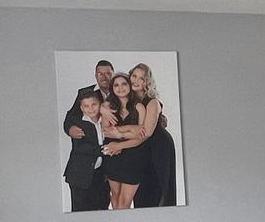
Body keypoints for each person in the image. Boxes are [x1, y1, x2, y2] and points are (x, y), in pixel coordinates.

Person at [97, 72, 152, 209]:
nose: (120, 88)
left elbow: (141, 136)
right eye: (116, 85)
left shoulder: (139, 107)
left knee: (124, 202)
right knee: (115, 198)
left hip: (134, 157)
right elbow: (106, 131)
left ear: (129, 86)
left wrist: (119, 140)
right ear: (112, 88)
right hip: (113, 157)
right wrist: (130, 131)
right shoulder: (108, 107)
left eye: (124, 84)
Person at [127, 62, 178, 207]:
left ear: (147, 82)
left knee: (157, 190)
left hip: (159, 148)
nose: (136, 81)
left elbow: (147, 133)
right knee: (142, 192)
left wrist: (119, 143)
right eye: (134, 76)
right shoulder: (128, 99)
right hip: (141, 148)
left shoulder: (152, 101)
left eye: (141, 78)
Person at [62, 90, 109, 212]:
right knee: (80, 211)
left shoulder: (105, 120)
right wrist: (106, 150)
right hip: (80, 175)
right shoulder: (78, 123)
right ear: (81, 108)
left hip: (99, 175)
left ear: (100, 104)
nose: (91, 109)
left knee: (100, 208)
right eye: (86, 106)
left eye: (94, 104)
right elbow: (81, 147)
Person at [62, 59, 116, 140]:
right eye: (100, 74)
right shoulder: (83, 92)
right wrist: (70, 129)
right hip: (90, 141)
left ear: (114, 75)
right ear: (95, 76)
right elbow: (72, 116)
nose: (104, 77)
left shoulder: (120, 92)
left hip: (113, 139)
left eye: (108, 73)